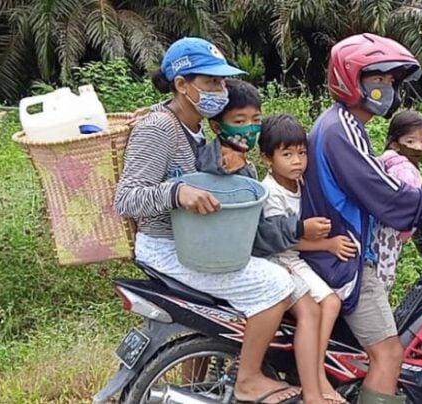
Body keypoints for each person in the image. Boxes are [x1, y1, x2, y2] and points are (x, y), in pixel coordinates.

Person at [114, 37, 327, 404]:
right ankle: (248, 379)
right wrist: (177, 192)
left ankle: (197, 385)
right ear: (182, 85)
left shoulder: (196, 128)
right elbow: (126, 199)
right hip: (167, 247)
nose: (220, 90)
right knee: (275, 284)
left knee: (282, 280)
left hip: (198, 243)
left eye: (222, 82)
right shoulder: (159, 128)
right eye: (211, 82)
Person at [300, 33, 422, 404]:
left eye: (392, 82)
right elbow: (386, 197)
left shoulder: (344, 126)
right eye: (378, 79)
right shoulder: (341, 129)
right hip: (346, 260)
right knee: (389, 353)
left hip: (340, 252)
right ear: (350, 78)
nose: (387, 88)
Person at [252, 113, 355, 404]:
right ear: (267, 158)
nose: (297, 161)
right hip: (279, 259)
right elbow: (281, 239)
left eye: (301, 153)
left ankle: (315, 368)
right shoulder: (271, 192)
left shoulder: (300, 183)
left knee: (333, 302)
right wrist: (327, 244)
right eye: (287, 154)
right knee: (326, 303)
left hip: (296, 257)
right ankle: (316, 374)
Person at [373, 110, 422, 291]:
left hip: (375, 229)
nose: (419, 147)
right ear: (395, 144)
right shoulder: (405, 169)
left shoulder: (387, 163)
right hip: (390, 233)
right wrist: (407, 232)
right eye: (411, 141)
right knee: (382, 278)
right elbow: (410, 205)